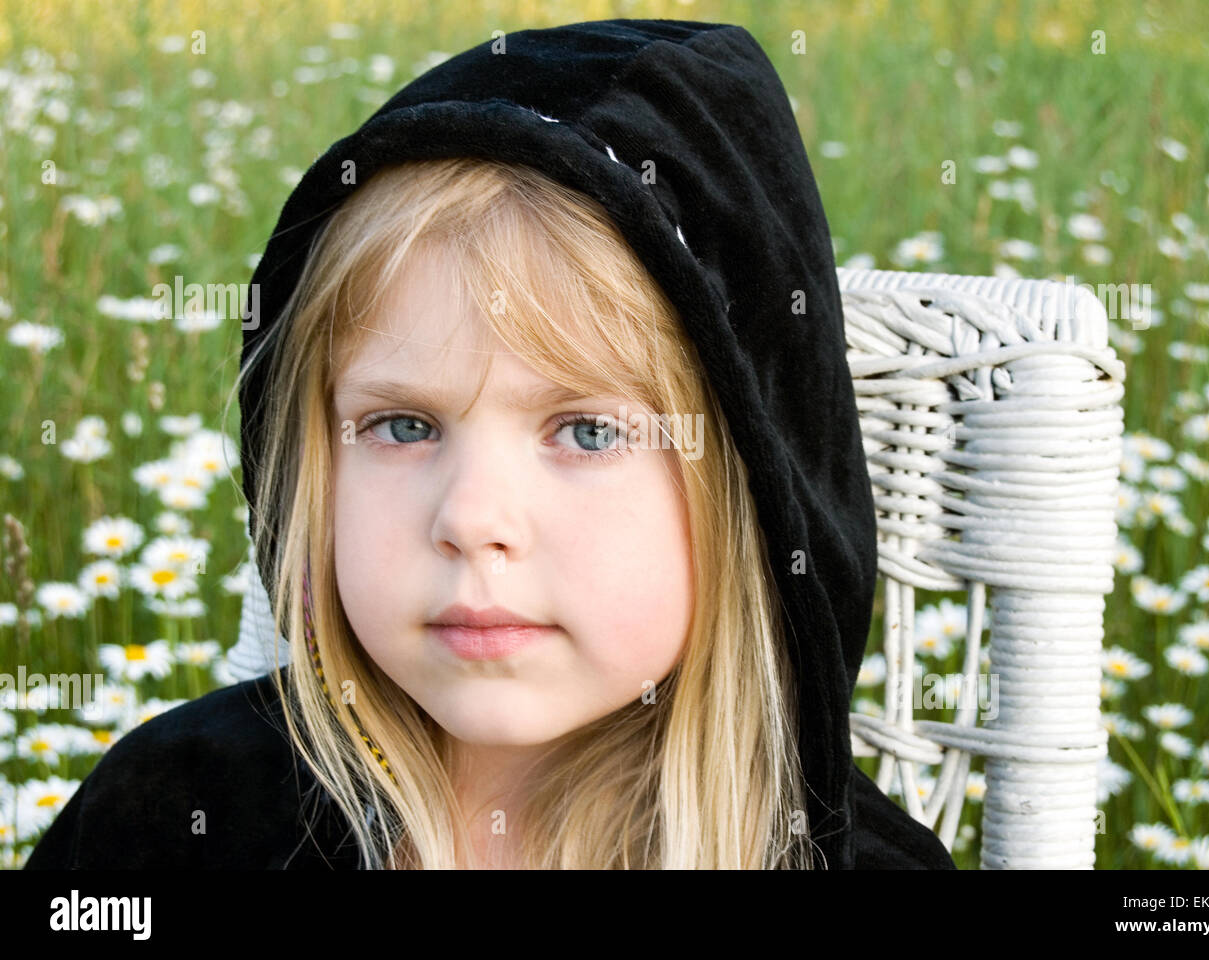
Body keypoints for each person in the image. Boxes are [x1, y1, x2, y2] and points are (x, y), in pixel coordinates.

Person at [26, 17, 955, 869]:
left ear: (750, 491)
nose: (471, 519)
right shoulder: (170, 818)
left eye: (587, 431)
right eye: (403, 425)